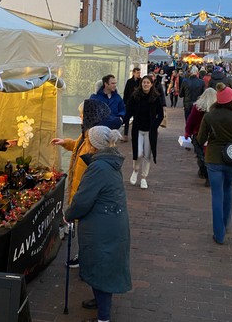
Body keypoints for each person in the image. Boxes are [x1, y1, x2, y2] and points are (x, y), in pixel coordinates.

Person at [64, 126, 131, 322]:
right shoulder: (107, 162)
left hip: (103, 226)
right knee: (101, 267)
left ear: (93, 145)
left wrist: (69, 214)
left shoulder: (98, 167)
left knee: (101, 268)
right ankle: (100, 301)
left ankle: (103, 318)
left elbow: (82, 200)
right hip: (109, 222)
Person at [51, 99, 111, 267]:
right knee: (82, 227)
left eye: (82, 115)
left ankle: (86, 259)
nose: (79, 117)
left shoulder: (94, 138)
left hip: (85, 190)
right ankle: (84, 256)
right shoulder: (86, 134)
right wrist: (65, 143)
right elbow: (78, 146)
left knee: (86, 229)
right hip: (80, 188)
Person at [196, 83, 232, 244]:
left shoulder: (209, 116)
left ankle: (218, 233)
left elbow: (200, 138)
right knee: (228, 190)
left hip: (213, 158)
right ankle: (226, 224)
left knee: (216, 195)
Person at [124, 75, 164, 189]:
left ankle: (143, 177)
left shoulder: (156, 98)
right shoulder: (135, 96)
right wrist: (122, 120)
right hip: (138, 129)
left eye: (148, 83)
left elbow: (160, 115)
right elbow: (129, 111)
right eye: (144, 82)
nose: (145, 84)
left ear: (151, 84)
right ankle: (135, 170)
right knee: (138, 153)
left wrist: (154, 125)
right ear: (141, 84)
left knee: (147, 154)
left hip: (149, 131)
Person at [184, 88, 218, 186]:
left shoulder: (197, 107)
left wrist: (187, 132)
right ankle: (209, 174)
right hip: (212, 136)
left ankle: (204, 172)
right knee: (210, 156)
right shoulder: (217, 109)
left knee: (200, 155)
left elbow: (191, 121)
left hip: (198, 134)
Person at [121, 67, 142, 142]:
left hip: (138, 104)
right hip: (129, 103)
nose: (139, 74)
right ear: (133, 73)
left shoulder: (141, 81)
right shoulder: (129, 81)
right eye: (137, 73)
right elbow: (126, 92)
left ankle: (135, 135)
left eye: (139, 73)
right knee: (126, 119)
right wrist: (124, 103)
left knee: (136, 120)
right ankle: (125, 135)